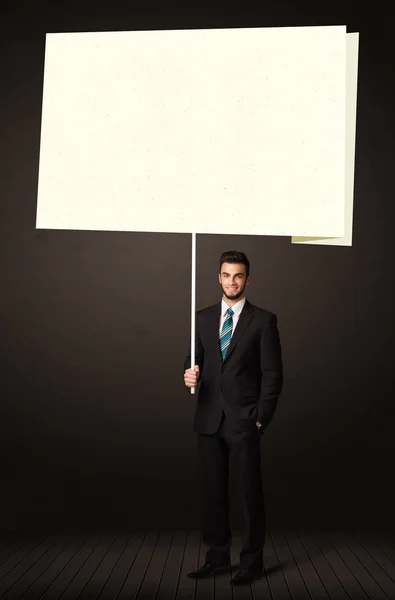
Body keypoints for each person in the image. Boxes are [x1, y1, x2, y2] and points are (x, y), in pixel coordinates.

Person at [183, 250, 283, 586]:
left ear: (247, 279)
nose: (232, 282)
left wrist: (260, 417)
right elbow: (193, 361)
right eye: (226, 275)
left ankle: (251, 562)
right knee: (213, 492)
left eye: (238, 276)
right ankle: (217, 558)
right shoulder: (203, 317)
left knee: (249, 493)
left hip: (244, 421)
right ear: (218, 277)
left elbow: (273, 374)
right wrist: (189, 376)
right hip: (210, 418)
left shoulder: (264, 321)